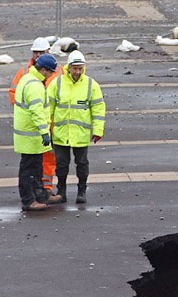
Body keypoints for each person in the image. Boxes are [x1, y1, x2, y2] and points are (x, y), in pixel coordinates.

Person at [47, 50, 106, 204]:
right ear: (69, 67)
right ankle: (61, 192)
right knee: (61, 165)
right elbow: (48, 108)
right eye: (75, 68)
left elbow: (98, 109)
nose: (78, 72)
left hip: (80, 134)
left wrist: (98, 130)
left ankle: (81, 191)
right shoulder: (57, 83)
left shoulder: (91, 85)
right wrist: (46, 129)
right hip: (61, 134)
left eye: (80, 68)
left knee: (82, 164)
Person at [9, 37, 63, 203]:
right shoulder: (33, 84)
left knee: (37, 166)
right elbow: (37, 111)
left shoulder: (31, 78)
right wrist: (44, 131)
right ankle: (29, 200)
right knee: (29, 168)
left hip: (35, 133)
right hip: (32, 134)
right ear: (45, 70)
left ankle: (41, 194)